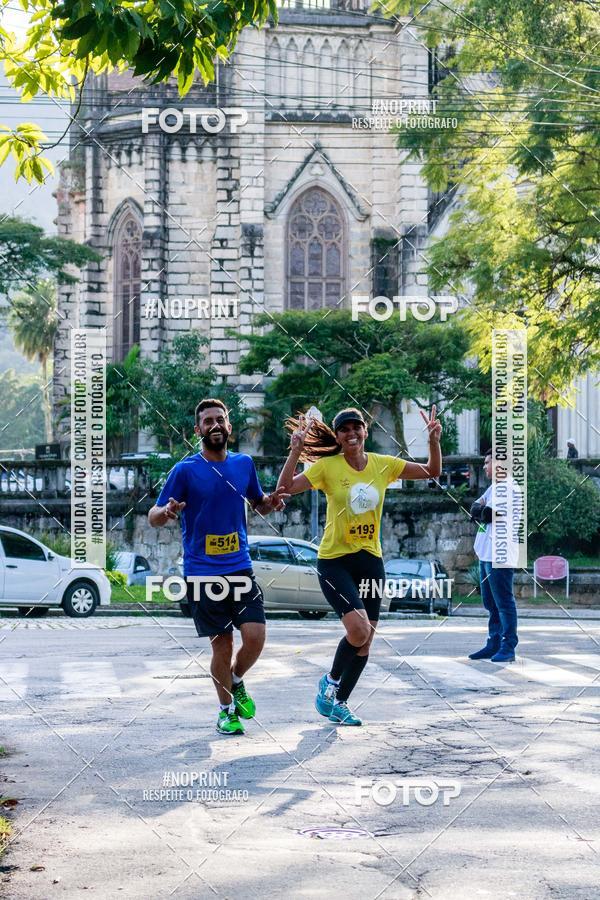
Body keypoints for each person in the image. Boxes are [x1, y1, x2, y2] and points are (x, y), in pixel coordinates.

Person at [277, 405, 442, 725]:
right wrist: (296, 451)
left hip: (371, 561)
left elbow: (431, 472)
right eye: (344, 429)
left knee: (366, 640)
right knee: (358, 629)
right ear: (338, 437)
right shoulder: (327, 467)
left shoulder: (384, 465)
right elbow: (285, 488)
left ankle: (339, 702)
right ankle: (330, 681)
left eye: (357, 427)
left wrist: (433, 441)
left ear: (365, 432)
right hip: (335, 561)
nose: (351, 433)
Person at [148, 398, 288, 735]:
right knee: (222, 644)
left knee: (255, 637)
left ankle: (236, 680)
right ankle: (226, 710)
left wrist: (272, 503)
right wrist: (165, 512)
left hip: (240, 566)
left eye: (219, 419)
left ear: (229, 427)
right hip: (202, 571)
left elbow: (259, 505)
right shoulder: (185, 470)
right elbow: (152, 516)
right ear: (197, 430)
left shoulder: (243, 465)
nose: (214, 425)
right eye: (207, 421)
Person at [468, 450, 519, 663]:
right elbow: (474, 508)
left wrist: (480, 511)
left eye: (487, 462)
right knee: (490, 602)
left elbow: (487, 514)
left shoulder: (509, 488)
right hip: (486, 553)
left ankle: (508, 646)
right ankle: (494, 642)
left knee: (504, 602)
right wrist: (479, 511)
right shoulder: (493, 487)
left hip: (500, 552)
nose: (484, 466)